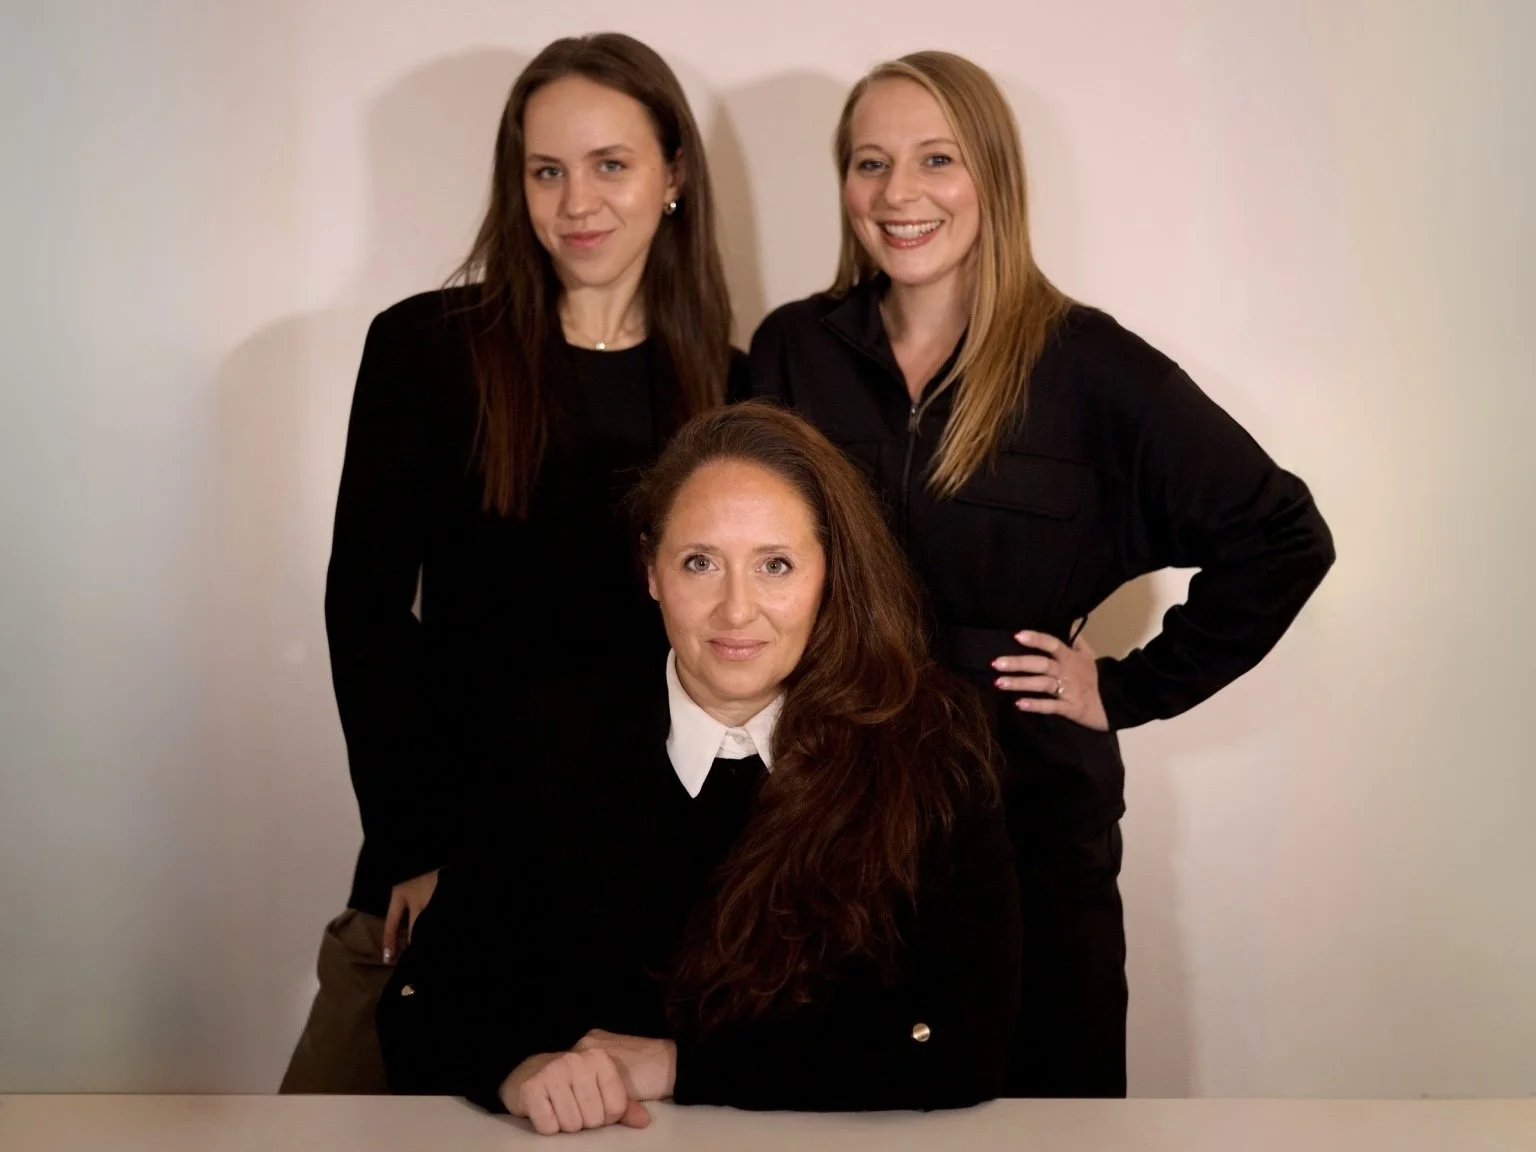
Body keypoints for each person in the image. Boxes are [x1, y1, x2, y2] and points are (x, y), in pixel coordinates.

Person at [745, 51, 1336, 1098]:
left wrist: (1126, 687)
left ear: (995, 179)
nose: (900, 193)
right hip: (829, 816)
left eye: (938, 158)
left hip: (1027, 825)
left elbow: (1282, 533)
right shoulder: (794, 351)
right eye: (869, 162)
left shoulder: (1089, 366)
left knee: (1042, 1109)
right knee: (830, 1101)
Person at [279, 33, 743, 1093]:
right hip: (449, 851)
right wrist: (414, 844)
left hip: (648, 879)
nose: (576, 200)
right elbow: (364, 609)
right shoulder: (428, 350)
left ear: (673, 176)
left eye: (610, 164)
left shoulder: (733, 388)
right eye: (547, 170)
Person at [376, 402, 1021, 1133]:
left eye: (774, 565)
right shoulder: (549, 738)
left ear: (828, 573)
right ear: (652, 569)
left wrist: (678, 1064)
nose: (736, 610)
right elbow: (423, 1006)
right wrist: (515, 1071)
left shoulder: (930, 747)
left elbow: (966, 1045)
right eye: (700, 563)